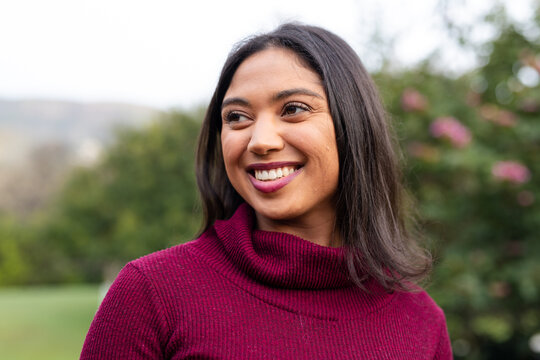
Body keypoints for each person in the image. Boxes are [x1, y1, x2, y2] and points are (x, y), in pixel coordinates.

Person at [80, 23, 452, 359]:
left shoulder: (420, 321)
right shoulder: (151, 294)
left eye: (293, 109)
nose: (260, 141)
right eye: (237, 117)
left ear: (353, 125)